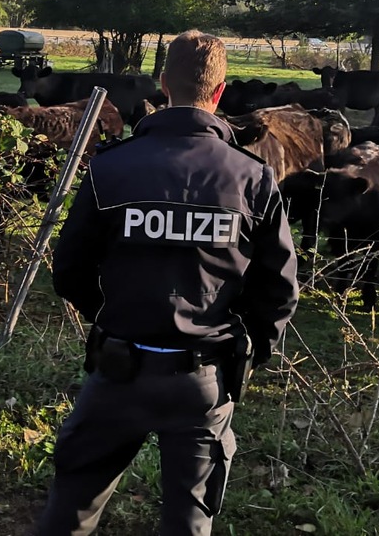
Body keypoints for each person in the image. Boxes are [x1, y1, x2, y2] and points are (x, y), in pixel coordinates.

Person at [34, 30, 299, 535]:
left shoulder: (111, 169)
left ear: (162, 85)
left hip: (118, 369)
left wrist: (112, 317)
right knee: (189, 523)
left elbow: (69, 270)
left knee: (70, 512)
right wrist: (245, 350)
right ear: (220, 93)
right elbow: (279, 289)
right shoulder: (252, 178)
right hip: (203, 378)